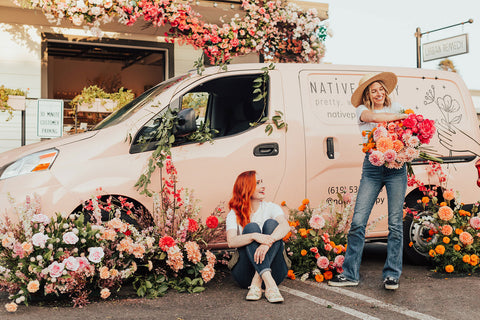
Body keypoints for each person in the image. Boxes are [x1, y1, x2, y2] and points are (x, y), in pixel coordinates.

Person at [328, 72, 409, 290]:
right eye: (373, 90)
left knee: (394, 225)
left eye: (381, 89)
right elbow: (373, 119)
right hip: (373, 167)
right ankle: (350, 274)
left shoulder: (397, 106)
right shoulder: (362, 111)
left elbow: (408, 132)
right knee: (358, 222)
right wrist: (401, 118)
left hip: (397, 168)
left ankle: (392, 275)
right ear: (368, 95)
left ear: (386, 91)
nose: (378, 93)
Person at [226, 170, 290, 303]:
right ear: (246, 188)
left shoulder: (271, 208)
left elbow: (285, 226)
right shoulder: (234, 214)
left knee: (272, 225)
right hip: (245, 275)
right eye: (257, 183)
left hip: (275, 272)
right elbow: (231, 242)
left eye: (262, 182)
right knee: (251, 228)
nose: (263, 186)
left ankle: (259, 280)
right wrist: (254, 236)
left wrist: (267, 242)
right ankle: (268, 285)